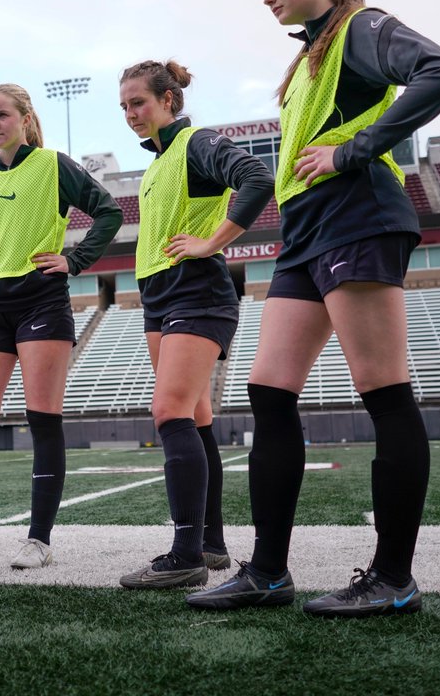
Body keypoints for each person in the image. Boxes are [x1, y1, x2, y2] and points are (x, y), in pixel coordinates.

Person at [187, 0, 440, 616]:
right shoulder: (311, 53)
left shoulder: (363, 28)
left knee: (383, 391)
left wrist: (356, 149)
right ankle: (268, 572)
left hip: (359, 212)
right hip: (305, 231)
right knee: (268, 390)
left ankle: (393, 578)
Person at [0, 84, 122, 569]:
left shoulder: (53, 165)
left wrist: (74, 260)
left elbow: (109, 211)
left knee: (43, 421)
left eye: (2, 115)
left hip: (42, 303)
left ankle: (39, 540)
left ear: (25, 118)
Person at [115, 61, 274, 590]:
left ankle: (183, 553)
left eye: (138, 102)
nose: (131, 114)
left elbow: (257, 178)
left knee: (169, 411)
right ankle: (210, 545)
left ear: (168, 100)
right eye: (124, 107)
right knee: (197, 415)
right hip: (158, 294)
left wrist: (214, 242)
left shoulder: (195, 144)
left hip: (197, 288)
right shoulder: (157, 162)